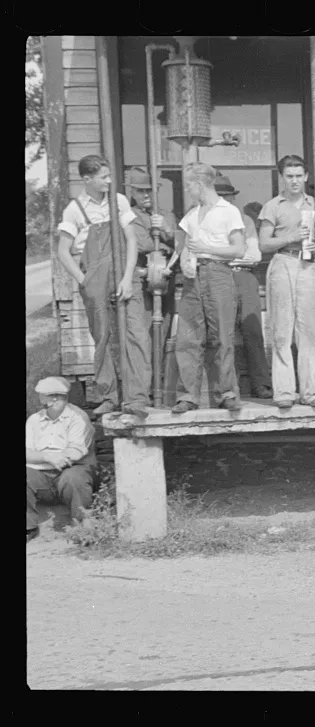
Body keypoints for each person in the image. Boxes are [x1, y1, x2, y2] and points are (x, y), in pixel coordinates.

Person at [56, 155, 149, 418]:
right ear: (87, 179)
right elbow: (63, 251)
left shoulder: (117, 201)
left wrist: (128, 277)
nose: (109, 181)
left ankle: (136, 398)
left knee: (137, 336)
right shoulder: (74, 209)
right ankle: (110, 397)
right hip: (95, 278)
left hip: (124, 273)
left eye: (110, 176)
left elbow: (131, 240)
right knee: (103, 340)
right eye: (104, 177)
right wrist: (84, 281)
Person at [170, 162, 246, 413]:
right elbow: (182, 247)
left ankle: (227, 393)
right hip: (194, 278)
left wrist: (207, 250)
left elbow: (239, 249)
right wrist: (184, 263)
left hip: (219, 274)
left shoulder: (228, 211)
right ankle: (188, 396)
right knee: (188, 337)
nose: (188, 189)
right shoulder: (191, 215)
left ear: (201, 184)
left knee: (222, 336)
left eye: (189, 185)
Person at [258, 155, 315, 409]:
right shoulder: (273, 206)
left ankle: (310, 391)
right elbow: (264, 244)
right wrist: (290, 236)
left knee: (310, 330)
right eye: (289, 176)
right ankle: (285, 391)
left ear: (306, 177)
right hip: (283, 263)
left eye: (299, 176)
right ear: (282, 178)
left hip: (308, 265)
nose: (295, 181)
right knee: (281, 330)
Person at [216, 175, 273, 399]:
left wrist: (224, 255)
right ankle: (227, 388)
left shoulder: (245, 221)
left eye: (227, 196)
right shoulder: (206, 220)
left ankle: (261, 384)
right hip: (219, 277)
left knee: (252, 330)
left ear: (233, 197)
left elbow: (254, 255)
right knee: (222, 333)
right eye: (219, 196)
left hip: (244, 277)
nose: (224, 201)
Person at [26, 377, 97, 543]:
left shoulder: (78, 417)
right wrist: (47, 456)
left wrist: (53, 458)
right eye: (50, 396)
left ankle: (82, 526)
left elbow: (76, 452)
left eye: (60, 395)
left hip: (72, 468)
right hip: (42, 474)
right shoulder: (33, 421)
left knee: (74, 478)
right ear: (41, 398)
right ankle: (29, 527)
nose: (56, 399)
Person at [125, 167, 179, 368]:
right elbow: (144, 245)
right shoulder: (130, 215)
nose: (146, 195)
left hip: (165, 279)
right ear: (132, 193)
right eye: (140, 191)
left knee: (164, 331)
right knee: (144, 333)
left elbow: (181, 244)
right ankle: (146, 384)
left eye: (149, 190)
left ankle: (161, 380)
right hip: (142, 280)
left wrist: (165, 228)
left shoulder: (166, 215)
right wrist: (167, 242)